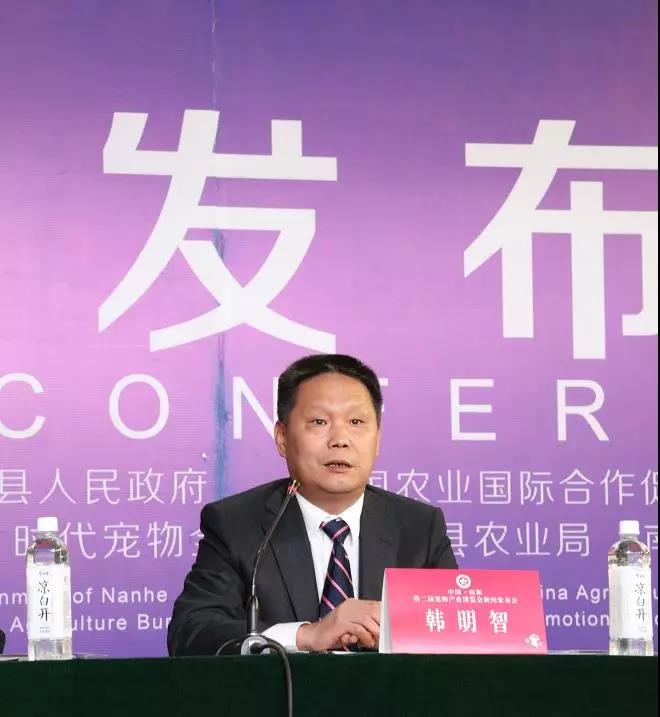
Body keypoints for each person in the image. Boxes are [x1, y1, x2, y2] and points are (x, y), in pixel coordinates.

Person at [168, 354, 457, 655]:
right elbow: (191, 633)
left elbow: (457, 635)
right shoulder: (236, 525)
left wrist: (394, 636)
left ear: (378, 439)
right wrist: (306, 635)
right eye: (319, 422)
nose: (340, 439)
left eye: (356, 422)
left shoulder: (419, 529)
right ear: (282, 438)